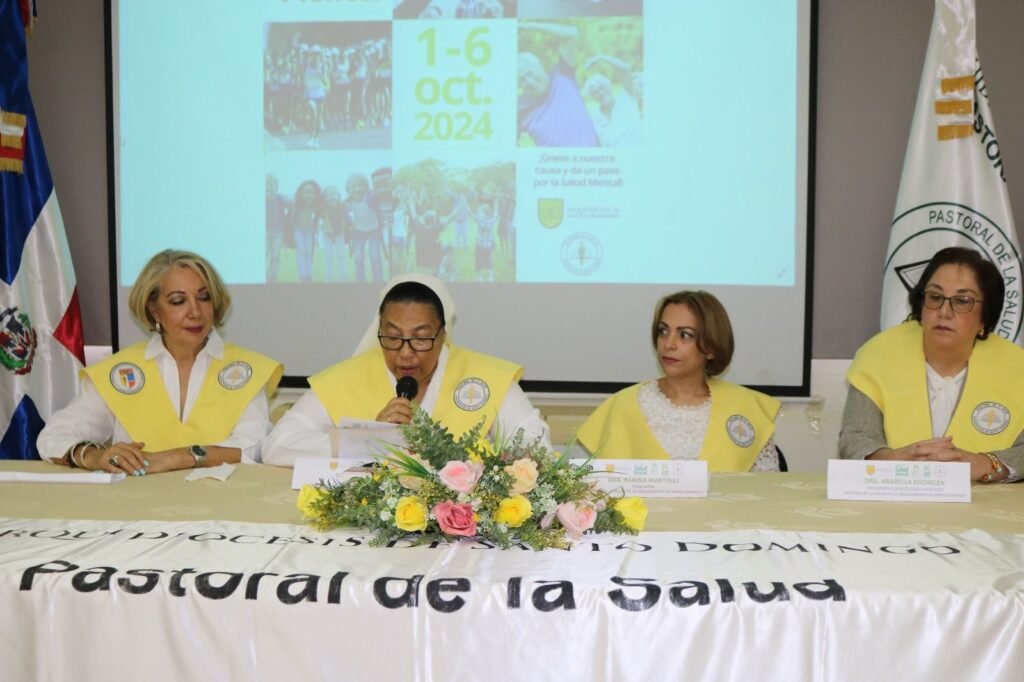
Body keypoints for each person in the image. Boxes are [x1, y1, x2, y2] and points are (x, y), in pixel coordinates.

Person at [37, 250, 283, 475]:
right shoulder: (119, 371)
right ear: (154, 310)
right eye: (178, 301)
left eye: (204, 297)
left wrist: (174, 458)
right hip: (135, 503)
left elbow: (254, 447)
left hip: (220, 502)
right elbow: (53, 437)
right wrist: (94, 456)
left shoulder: (247, 368)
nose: (195, 312)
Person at [263, 274, 550, 465]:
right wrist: (366, 440)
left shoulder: (487, 377)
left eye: (421, 338)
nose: (405, 353)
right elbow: (277, 446)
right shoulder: (344, 379)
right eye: (392, 337)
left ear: (442, 335)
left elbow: (536, 447)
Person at [840, 247, 1023, 483]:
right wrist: (892, 460)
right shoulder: (877, 355)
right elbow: (856, 437)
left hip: (986, 501)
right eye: (935, 297)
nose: (944, 312)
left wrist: (986, 464)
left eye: (962, 301)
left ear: (984, 318)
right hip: (897, 495)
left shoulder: (1017, 367)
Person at [577, 290, 781, 471]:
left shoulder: (746, 408)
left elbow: (767, 490)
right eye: (663, 331)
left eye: (684, 335)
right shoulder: (623, 405)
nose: (668, 344)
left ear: (711, 347)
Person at [518, 22, 599, 147]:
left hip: (590, 157)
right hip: (553, 160)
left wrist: (530, 26)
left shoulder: (562, 74)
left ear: (540, 67)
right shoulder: (519, 106)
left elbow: (572, 34)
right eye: (522, 80)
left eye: (530, 73)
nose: (529, 81)